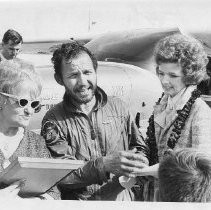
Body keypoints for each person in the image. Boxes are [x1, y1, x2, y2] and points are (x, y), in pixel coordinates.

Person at [41, 41, 148, 200]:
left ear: (96, 71)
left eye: (87, 72)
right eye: (73, 75)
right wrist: (103, 165)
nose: (83, 82)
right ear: (59, 79)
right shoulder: (53, 120)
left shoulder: (119, 107)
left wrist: (139, 161)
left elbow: (139, 147)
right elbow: (62, 176)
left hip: (122, 201)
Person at [132, 34, 211, 201]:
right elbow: (152, 146)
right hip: (154, 195)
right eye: (161, 73)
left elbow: (200, 169)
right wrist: (140, 159)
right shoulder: (162, 103)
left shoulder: (200, 111)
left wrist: (151, 171)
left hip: (182, 197)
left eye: (173, 76)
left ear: (189, 75)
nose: (164, 81)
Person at [0, 60, 60, 199]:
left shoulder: (37, 143)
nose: (30, 111)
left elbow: (54, 192)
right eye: (23, 102)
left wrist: (38, 202)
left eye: (34, 104)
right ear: (1, 99)